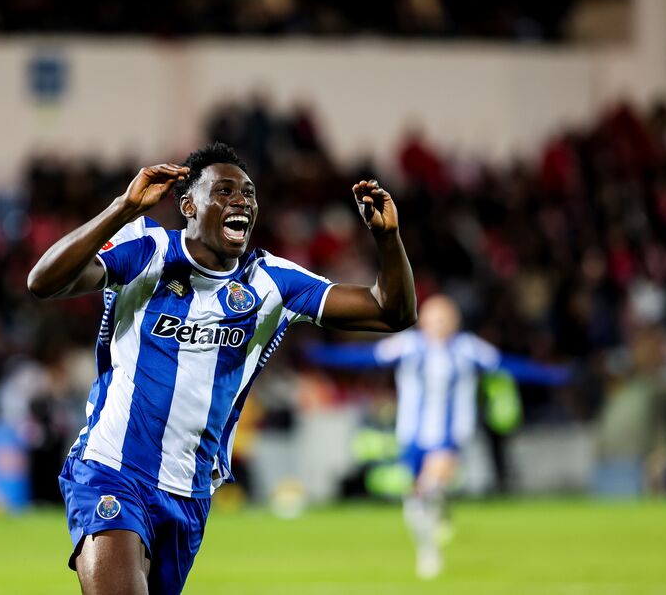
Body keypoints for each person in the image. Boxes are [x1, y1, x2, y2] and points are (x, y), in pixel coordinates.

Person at [27, 142, 416, 595]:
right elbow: (43, 282)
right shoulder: (147, 249)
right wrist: (123, 207)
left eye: (248, 193)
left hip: (189, 492)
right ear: (188, 205)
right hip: (111, 468)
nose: (241, 201)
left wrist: (388, 238)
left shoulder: (271, 282)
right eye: (224, 191)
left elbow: (392, 312)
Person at [366, 294, 498, 579]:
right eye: (434, 318)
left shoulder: (468, 348)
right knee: (414, 503)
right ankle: (428, 546)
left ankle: (436, 517)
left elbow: (506, 365)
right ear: (422, 320)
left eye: (444, 318)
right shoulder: (408, 345)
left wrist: (557, 373)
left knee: (430, 487)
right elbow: (366, 358)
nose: (439, 324)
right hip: (412, 435)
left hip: (450, 435)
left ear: (455, 321)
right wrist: (314, 354)